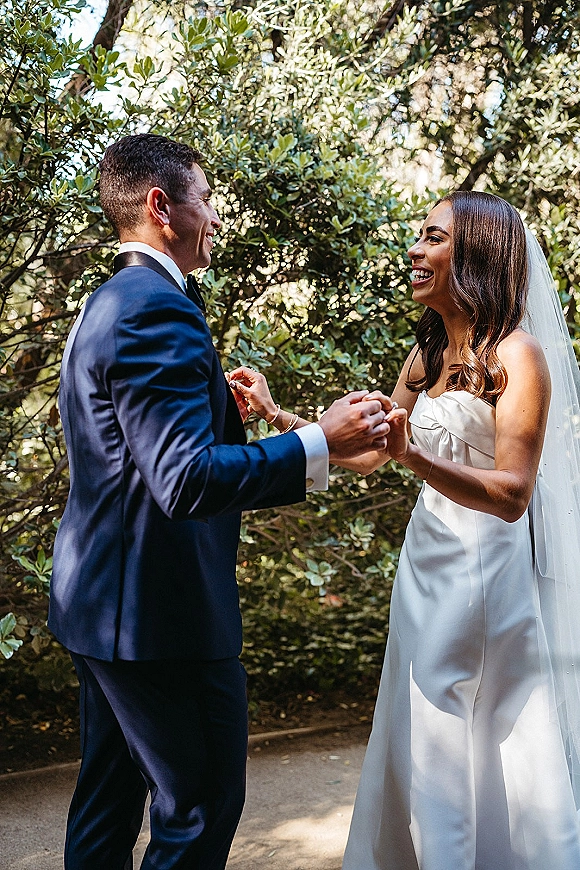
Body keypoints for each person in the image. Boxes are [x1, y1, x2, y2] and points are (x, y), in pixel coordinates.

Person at [48, 133, 391, 870]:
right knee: (198, 809)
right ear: (161, 205)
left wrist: (250, 425)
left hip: (101, 606)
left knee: (107, 803)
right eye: (207, 200)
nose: (216, 218)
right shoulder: (153, 309)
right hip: (157, 620)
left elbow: (126, 459)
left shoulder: (106, 302)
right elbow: (185, 479)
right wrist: (319, 439)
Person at [231, 191, 580, 869]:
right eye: (417, 237)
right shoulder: (425, 355)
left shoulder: (520, 356)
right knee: (417, 713)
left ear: (475, 253)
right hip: (428, 560)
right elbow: (367, 452)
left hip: (483, 571)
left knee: (449, 722)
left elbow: (512, 495)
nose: (414, 251)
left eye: (433, 238)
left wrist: (415, 456)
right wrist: (278, 416)